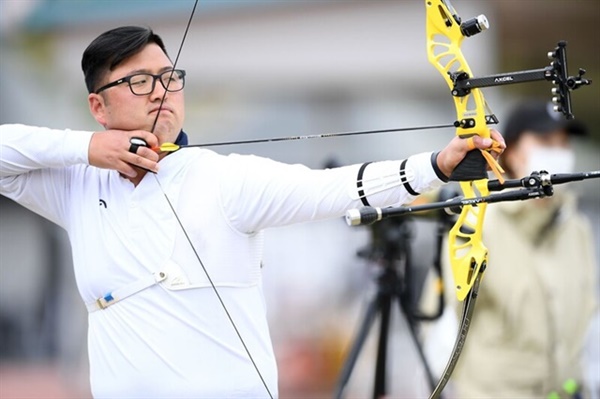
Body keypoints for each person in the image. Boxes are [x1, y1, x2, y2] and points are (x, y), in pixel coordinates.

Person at [0, 26, 504, 398]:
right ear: (98, 107)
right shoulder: (77, 185)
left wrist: (435, 166)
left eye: (168, 77)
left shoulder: (224, 179)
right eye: (138, 82)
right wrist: (89, 148)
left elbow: (333, 188)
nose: (160, 92)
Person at [424, 101, 598, 398]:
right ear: (512, 152)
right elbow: (441, 329)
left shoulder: (576, 227)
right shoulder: (477, 224)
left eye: (563, 143)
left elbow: (588, 321)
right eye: (545, 142)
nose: (558, 152)